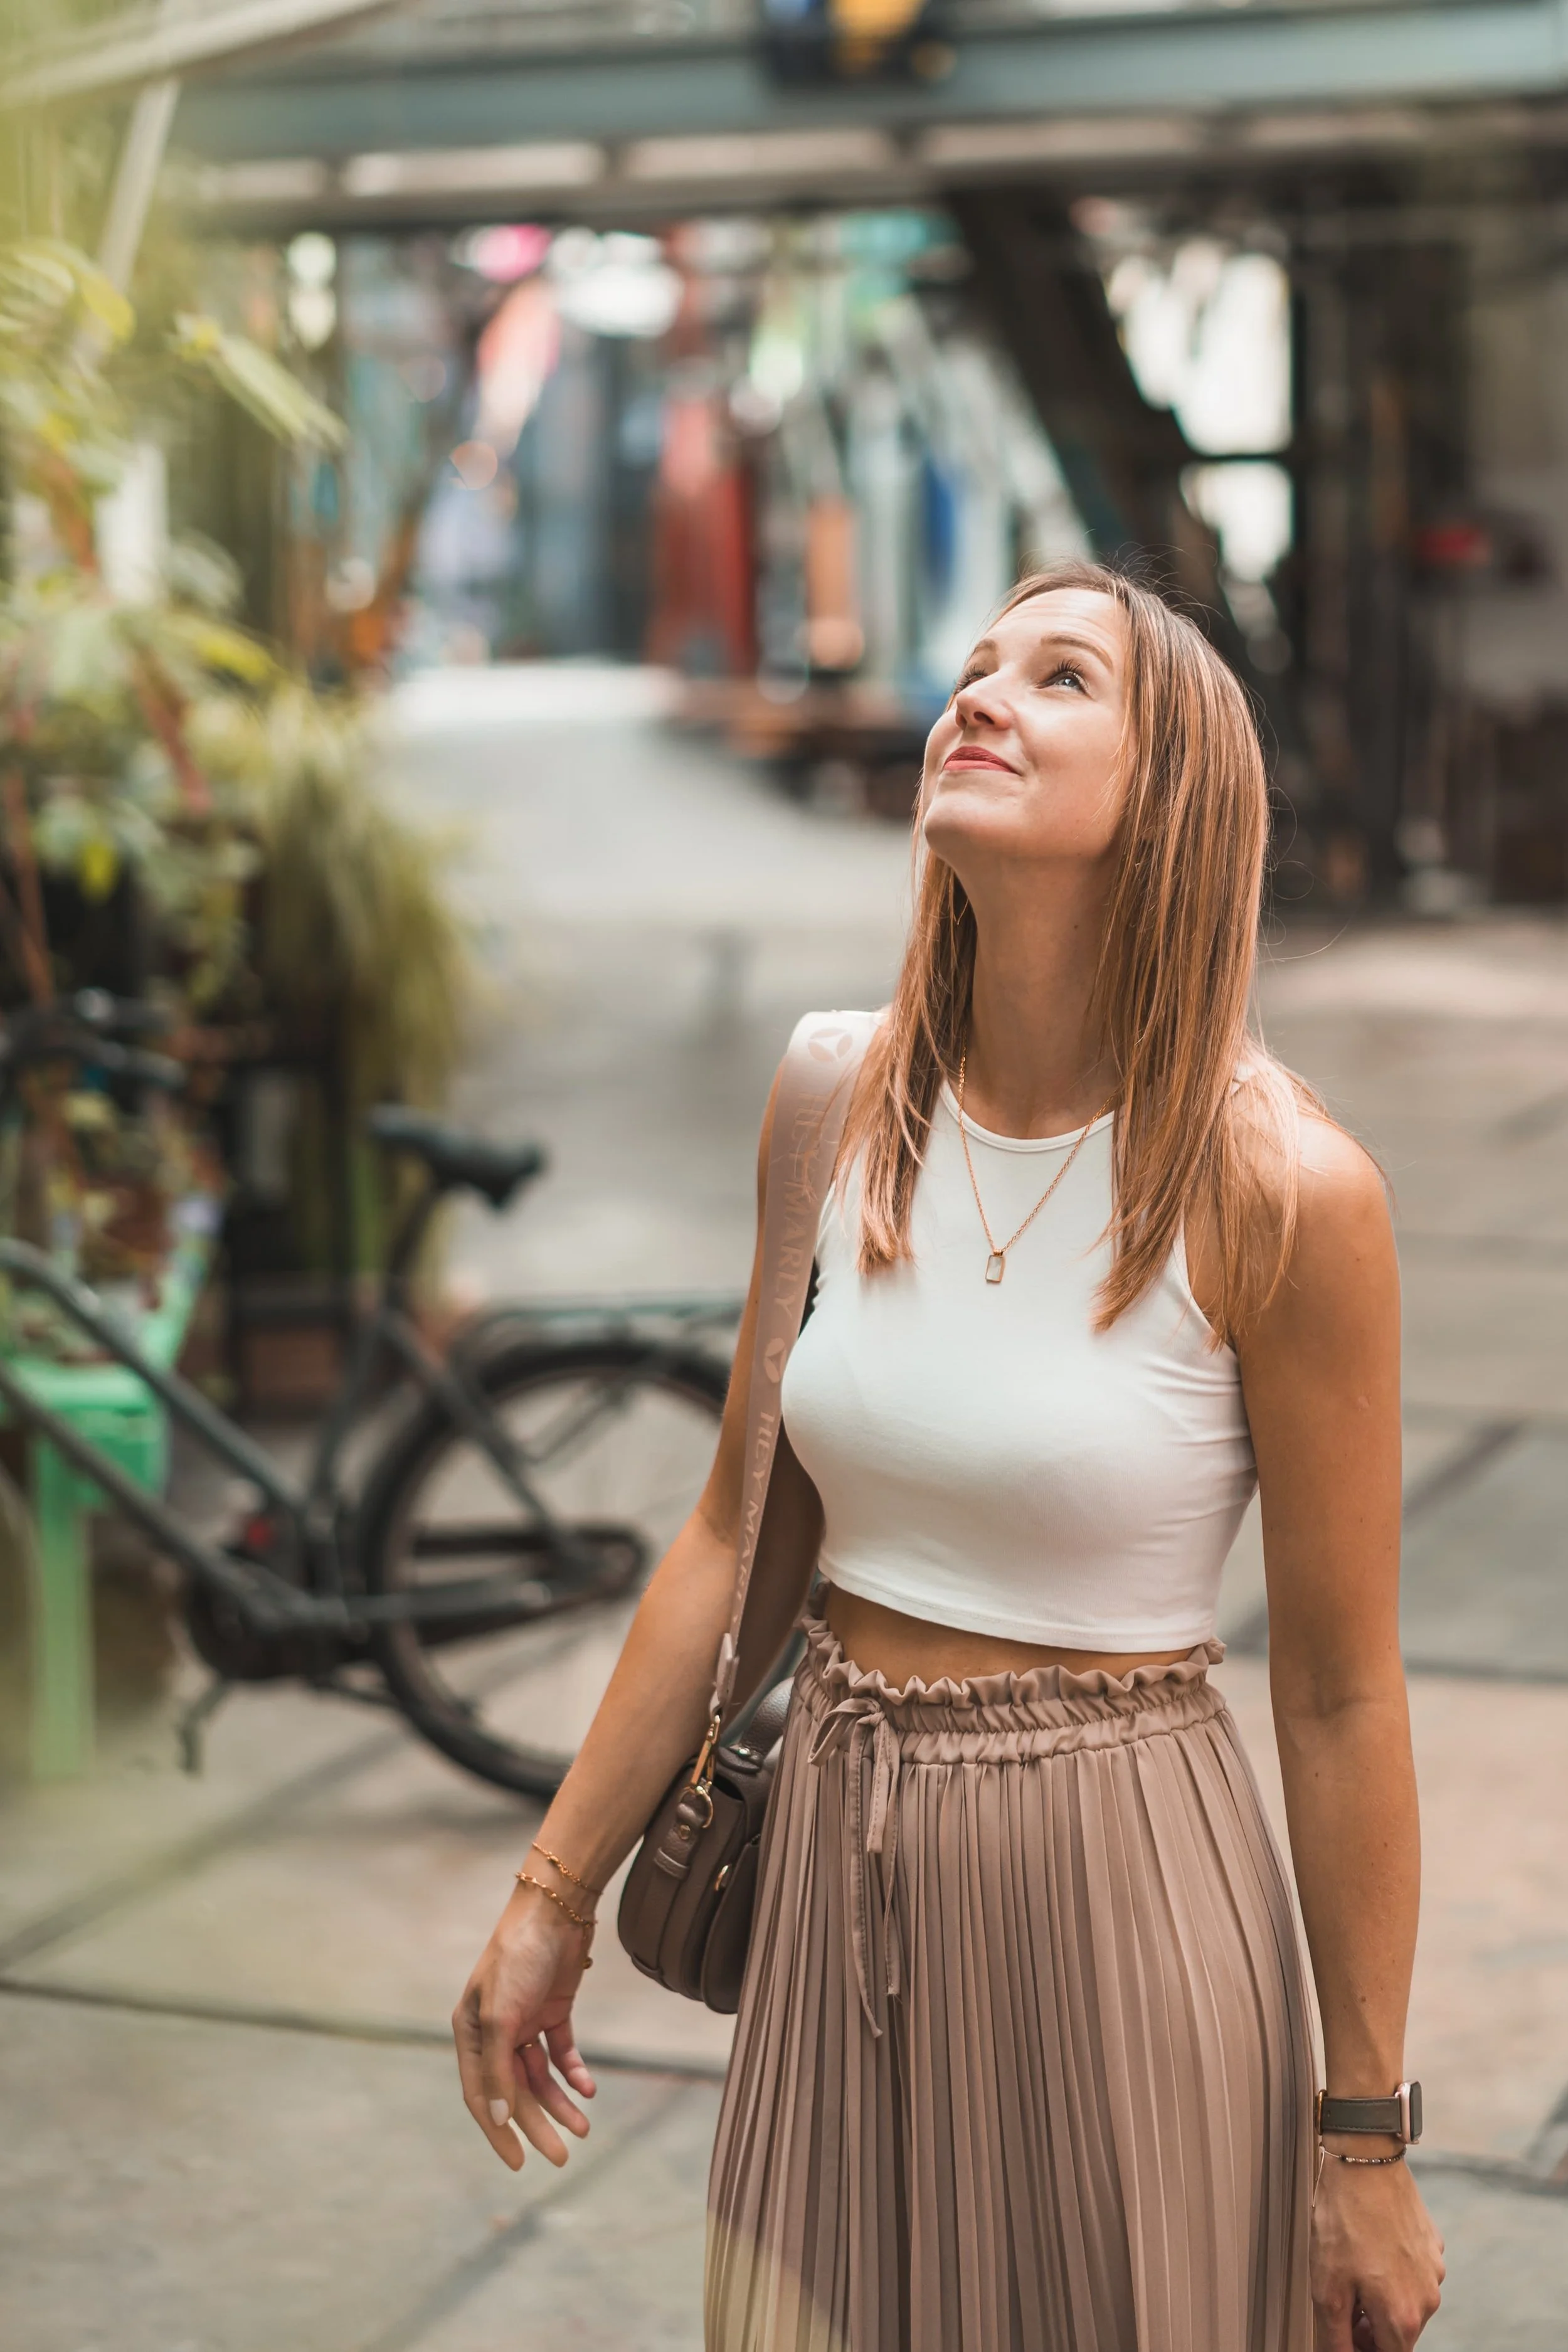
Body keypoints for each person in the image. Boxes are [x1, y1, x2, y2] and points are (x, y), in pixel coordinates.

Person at [454, 560, 1446, 2352]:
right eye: (976, 666)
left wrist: (1361, 2133)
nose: (978, 693)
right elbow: (722, 1535)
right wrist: (552, 1895)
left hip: (1122, 1881)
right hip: (836, 1869)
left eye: (1060, 677)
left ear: (1171, 798)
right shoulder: (835, 1099)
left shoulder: (1280, 1187)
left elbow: (1339, 1697)